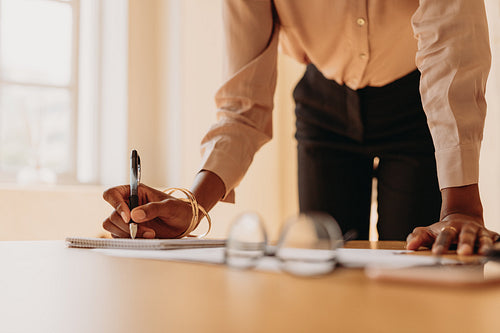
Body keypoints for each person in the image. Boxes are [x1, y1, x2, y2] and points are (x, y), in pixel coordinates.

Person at [103, 0, 499, 255]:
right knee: (325, 265)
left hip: (417, 106)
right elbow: (243, 105)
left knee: (418, 264)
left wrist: (461, 207)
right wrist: (192, 206)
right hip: (323, 108)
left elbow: (452, 50)